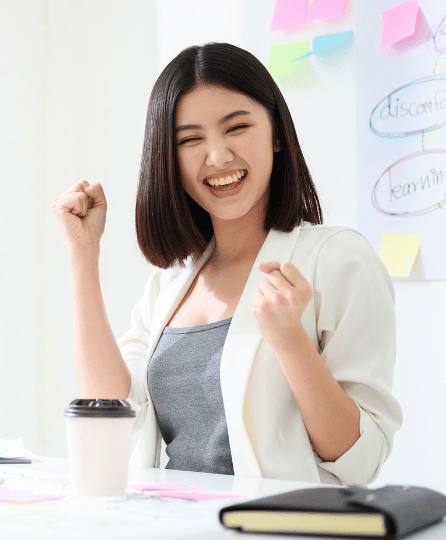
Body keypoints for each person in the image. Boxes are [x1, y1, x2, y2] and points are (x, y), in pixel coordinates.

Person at [51, 42, 401, 486]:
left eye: (236, 128)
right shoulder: (173, 282)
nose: (217, 157)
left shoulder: (338, 259)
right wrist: (83, 253)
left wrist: (291, 343)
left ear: (275, 133)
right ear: (170, 159)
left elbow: (359, 460)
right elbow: (112, 413)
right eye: (190, 139)